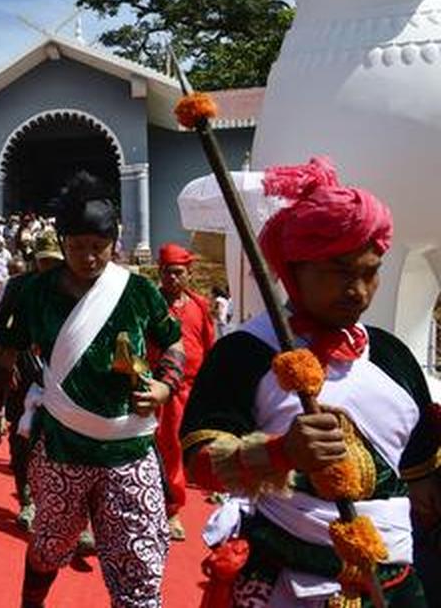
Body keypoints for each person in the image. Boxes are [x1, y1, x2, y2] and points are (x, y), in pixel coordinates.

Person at [182, 157, 440, 607]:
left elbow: (422, 480)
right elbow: (199, 462)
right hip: (286, 581)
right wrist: (279, 453)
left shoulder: (393, 356)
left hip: (395, 583)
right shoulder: (244, 353)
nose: (358, 290)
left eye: (370, 272)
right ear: (294, 270)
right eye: (339, 272)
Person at [0, 173, 185, 607]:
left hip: (129, 448)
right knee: (49, 545)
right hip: (62, 445)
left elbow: (173, 343)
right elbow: (7, 351)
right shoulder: (36, 292)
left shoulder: (137, 290)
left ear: (114, 242)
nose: (88, 257)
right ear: (63, 243)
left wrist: (165, 386)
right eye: (77, 246)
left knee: (140, 558)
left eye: (98, 246)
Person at [0, 228, 65, 529]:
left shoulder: (77, 285)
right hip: (25, 364)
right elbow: (0, 325)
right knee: (22, 435)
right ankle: (27, 498)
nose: (49, 268)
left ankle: (69, 511)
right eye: (44, 261)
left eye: (55, 262)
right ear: (35, 260)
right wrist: (10, 359)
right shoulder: (19, 286)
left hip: (64, 369)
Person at [152, 243, 215, 541]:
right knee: (165, 448)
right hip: (160, 387)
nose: (172, 278)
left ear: (189, 273)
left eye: (178, 272)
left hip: (193, 389)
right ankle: (166, 508)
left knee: (185, 447)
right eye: (167, 272)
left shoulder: (199, 305)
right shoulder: (150, 303)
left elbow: (209, 344)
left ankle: (174, 506)